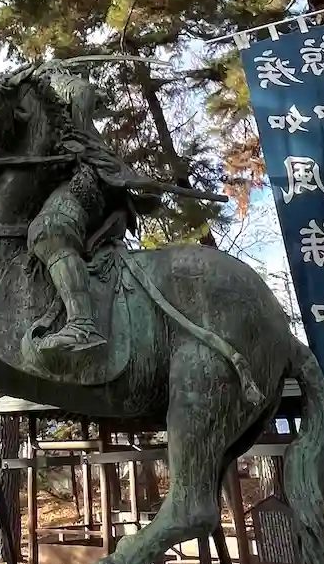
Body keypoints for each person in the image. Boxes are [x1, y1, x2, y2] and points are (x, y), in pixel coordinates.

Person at [27, 67, 199, 357]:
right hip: (62, 182)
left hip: (90, 180)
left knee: (51, 230)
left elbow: (81, 121)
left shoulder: (68, 87)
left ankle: (82, 324)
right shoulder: (38, 101)